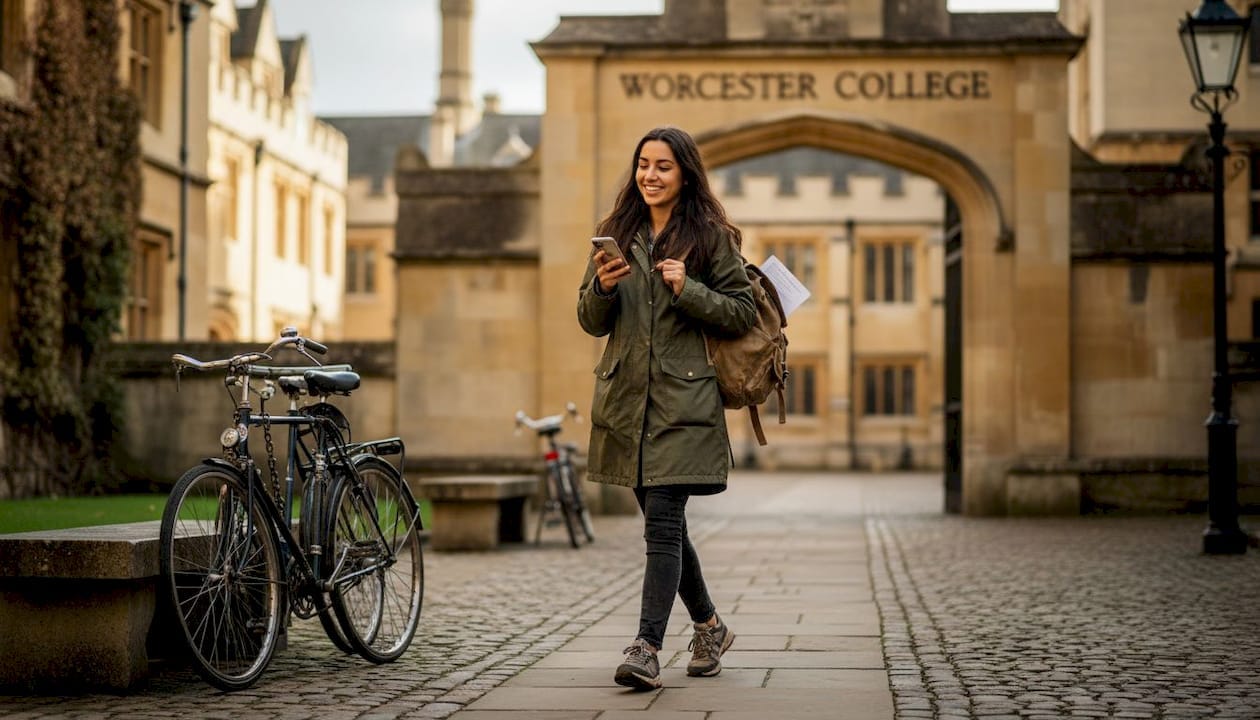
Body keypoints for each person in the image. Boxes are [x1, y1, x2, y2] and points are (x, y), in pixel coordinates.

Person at [577, 126, 756, 690]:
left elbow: (742, 313)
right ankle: (709, 626)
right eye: (643, 164)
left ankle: (646, 647)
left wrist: (690, 288)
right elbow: (589, 320)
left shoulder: (709, 236)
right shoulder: (615, 232)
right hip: (627, 404)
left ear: (685, 174)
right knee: (667, 526)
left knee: (661, 526)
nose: (649, 176)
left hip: (685, 403)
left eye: (663, 166)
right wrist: (602, 288)